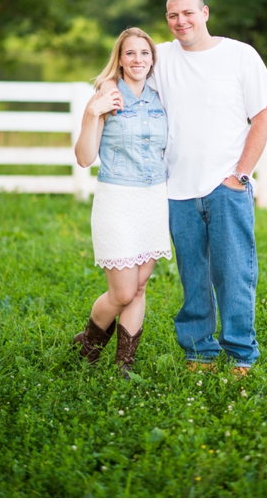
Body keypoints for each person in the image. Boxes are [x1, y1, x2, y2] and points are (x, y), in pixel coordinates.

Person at [150, 0, 267, 375]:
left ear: (205, 12)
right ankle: (199, 352)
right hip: (178, 189)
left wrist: (240, 175)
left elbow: (262, 118)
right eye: (173, 15)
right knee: (192, 276)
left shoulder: (240, 55)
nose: (180, 21)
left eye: (188, 12)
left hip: (226, 186)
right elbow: (124, 74)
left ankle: (241, 353)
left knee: (234, 272)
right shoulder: (160, 57)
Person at [72, 28, 172, 377]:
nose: (138, 60)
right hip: (117, 200)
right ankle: (86, 343)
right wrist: (92, 114)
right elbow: (85, 158)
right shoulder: (107, 95)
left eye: (144, 54)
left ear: (152, 59)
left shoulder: (162, 98)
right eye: (130, 53)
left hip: (154, 199)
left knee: (141, 286)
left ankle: (124, 366)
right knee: (124, 291)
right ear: (120, 58)